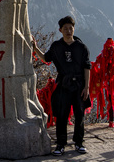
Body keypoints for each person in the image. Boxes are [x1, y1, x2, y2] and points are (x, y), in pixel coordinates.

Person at [32, 16, 91, 155]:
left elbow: (87, 67)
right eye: (65, 28)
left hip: (79, 85)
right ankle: (60, 144)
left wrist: (86, 87)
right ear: (60, 30)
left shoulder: (81, 47)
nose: (68, 31)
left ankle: (79, 142)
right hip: (63, 85)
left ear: (74, 29)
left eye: (71, 28)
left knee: (79, 114)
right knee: (62, 115)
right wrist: (35, 48)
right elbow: (46, 58)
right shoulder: (56, 46)